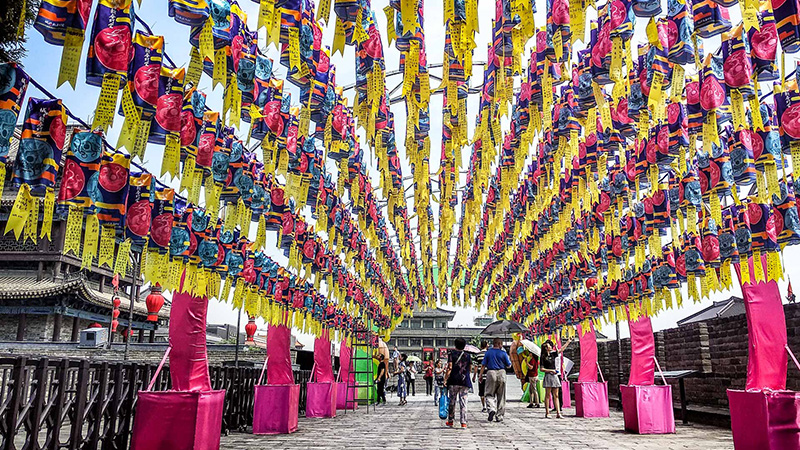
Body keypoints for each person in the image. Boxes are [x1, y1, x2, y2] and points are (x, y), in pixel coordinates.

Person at [479, 338, 512, 422]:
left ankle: (491, 409)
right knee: (501, 395)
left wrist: (480, 375)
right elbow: (509, 366)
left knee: (489, 393)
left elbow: (483, 365)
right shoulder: (503, 353)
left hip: (491, 372)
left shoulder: (488, 352)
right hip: (501, 373)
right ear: (500, 344)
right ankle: (499, 416)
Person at [444, 337, 472, 428]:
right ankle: (463, 422)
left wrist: (445, 379)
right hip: (464, 381)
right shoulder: (468, 355)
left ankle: (450, 420)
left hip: (453, 380)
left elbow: (450, 367)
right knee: (463, 402)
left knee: (452, 401)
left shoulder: (451, 354)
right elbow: (470, 368)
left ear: (455, 345)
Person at [541, 340, 564, 418]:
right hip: (548, 375)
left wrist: (568, 342)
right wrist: (551, 370)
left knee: (556, 395)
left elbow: (560, 351)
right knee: (548, 395)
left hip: (554, 376)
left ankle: (558, 412)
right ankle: (547, 412)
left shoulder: (553, 354)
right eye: (548, 346)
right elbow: (541, 369)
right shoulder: (543, 357)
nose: (550, 347)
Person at [471, 341, 489, 412]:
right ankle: (489, 406)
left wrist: (474, 376)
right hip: (489, 375)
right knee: (489, 391)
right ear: (486, 346)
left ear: (481, 346)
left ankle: (484, 406)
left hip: (480, 376)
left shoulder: (477, 355)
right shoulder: (489, 354)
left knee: (481, 392)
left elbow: (475, 367)